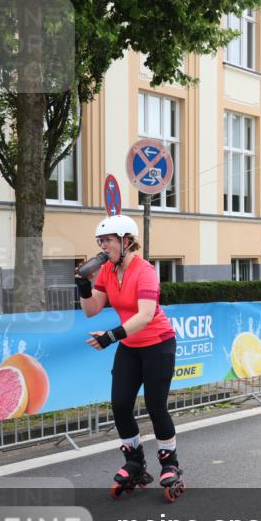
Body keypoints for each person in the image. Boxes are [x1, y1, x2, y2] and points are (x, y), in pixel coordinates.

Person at [75, 214, 184, 502]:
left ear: (126, 241)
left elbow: (146, 315)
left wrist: (110, 337)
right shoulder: (108, 271)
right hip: (130, 345)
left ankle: (169, 464)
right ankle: (135, 463)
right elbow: (91, 309)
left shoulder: (145, 270)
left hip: (158, 344)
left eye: (108, 240)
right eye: (100, 241)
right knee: (120, 404)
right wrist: (84, 287)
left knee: (155, 406)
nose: (103, 245)